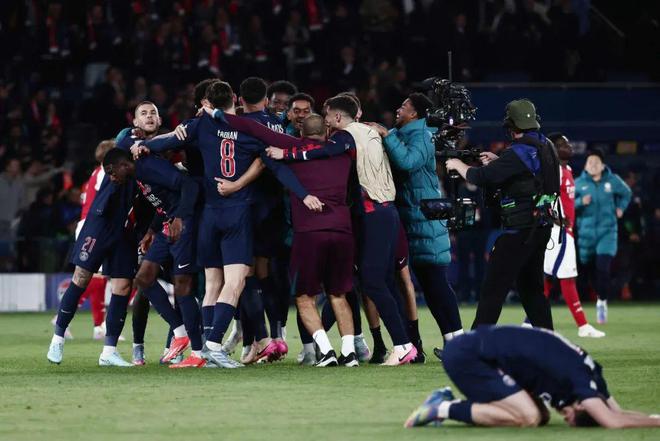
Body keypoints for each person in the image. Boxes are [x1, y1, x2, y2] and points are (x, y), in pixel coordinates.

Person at [135, 81, 322, 368]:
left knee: (212, 284)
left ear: (207, 103)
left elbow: (168, 141)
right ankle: (214, 346)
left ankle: (202, 353)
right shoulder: (249, 129)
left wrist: (142, 145)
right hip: (237, 214)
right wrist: (304, 194)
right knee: (235, 282)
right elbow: (276, 167)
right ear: (234, 99)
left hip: (209, 214)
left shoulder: (200, 125)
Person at [261, 96, 418, 365]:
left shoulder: (345, 137)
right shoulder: (370, 131)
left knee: (371, 282)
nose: (326, 121)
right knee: (370, 283)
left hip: (372, 213)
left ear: (336, 117)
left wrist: (286, 154)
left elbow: (320, 152)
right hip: (384, 211)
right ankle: (379, 346)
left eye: (327, 114)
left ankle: (403, 345)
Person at [405, 326, 660, 429]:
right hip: (468, 356)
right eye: (570, 415)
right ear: (583, 404)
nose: (566, 417)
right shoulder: (580, 380)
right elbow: (612, 421)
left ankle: (447, 402)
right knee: (529, 417)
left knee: (542, 416)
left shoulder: (593, 375)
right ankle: (441, 408)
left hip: (483, 351)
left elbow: (617, 412)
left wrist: (652, 418)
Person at [445, 99, 557, 331]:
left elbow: (479, 177)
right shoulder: (546, 145)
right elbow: (529, 173)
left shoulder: (518, 152)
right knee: (532, 292)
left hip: (519, 230)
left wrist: (457, 164)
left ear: (511, 126)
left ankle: (473, 345)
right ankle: (550, 342)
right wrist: (499, 161)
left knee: (493, 290)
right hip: (541, 226)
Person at [367, 93, 464, 357]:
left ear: (415, 114)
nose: (398, 109)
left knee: (437, 282)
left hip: (426, 217)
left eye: (404, 106)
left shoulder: (421, 135)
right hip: (414, 217)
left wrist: (388, 135)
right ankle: (451, 342)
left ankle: (459, 343)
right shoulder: (409, 134)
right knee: (430, 285)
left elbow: (408, 162)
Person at [116, 101, 205, 368]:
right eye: (143, 113)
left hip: (183, 220)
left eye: (153, 112)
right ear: (135, 123)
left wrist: (179, 218)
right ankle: (179, 335)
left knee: (183, 286)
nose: (149, 116)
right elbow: (122, 139)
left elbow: (187, 185)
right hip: (164, 222)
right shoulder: (135, 150)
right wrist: (153, 229)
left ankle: (198, 352)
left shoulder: (162, 150)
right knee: (144, 279)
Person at [47, 148, 138, 366]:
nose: (112, 176)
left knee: (123, 286)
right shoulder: (105, 169)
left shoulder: (143, 165)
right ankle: (57, 339)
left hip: (124, 232)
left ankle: (109, 351)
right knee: (81, 278)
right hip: (98, 228)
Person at [543, 133, 604, 338]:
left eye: (568, 143)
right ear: (553, 149)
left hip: (564, 231)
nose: (569, 146)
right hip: (558, 232)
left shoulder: (567, 169)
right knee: (567, 278)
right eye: (563, 144)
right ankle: (583, 326)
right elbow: (542, 196)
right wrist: (555, 218)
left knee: (548, 278)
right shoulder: (555, 171)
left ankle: (529, 323)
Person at [574, 148, 631, 324]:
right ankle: (599, 295)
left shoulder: (613, 180)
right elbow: (567, 204)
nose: (593, 165)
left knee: (603, 267)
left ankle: (602, 302)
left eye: (596, 162)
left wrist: (621, 208)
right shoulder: (578, 183)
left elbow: (626, 193)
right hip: (586, 236)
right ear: (585, 165)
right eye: (590, 162)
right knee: (590, 271)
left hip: (608, 232)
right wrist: (580, 202)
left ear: (602, 165)